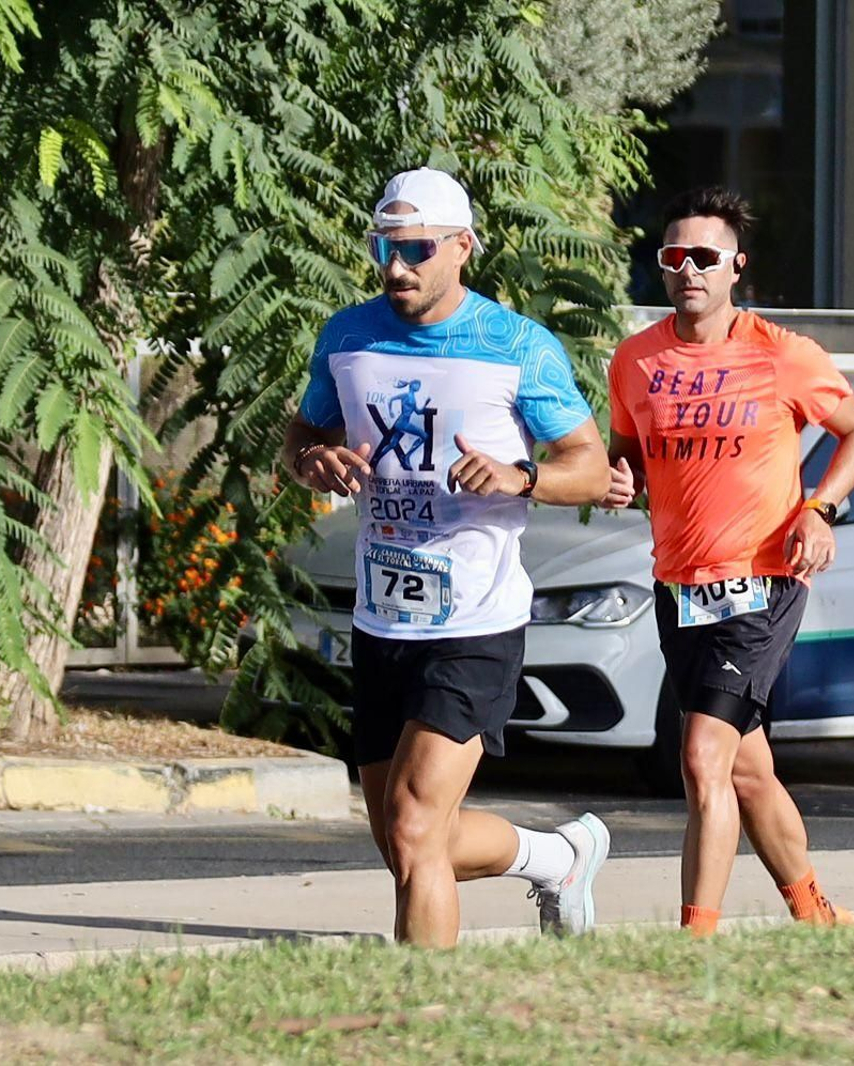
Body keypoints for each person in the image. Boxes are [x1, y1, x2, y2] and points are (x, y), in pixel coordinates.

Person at [281, 167, 612, 948]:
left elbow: (590, 467)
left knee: (415, 824)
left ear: (462, 247)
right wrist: (311, 463)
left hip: (475, 622)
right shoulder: (348, 335)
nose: (396, 267)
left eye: (417, 249)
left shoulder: (517, 348)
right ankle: (556, 856)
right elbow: (299, 440)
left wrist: (520, 476)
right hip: (382, 617)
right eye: (383, 248)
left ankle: (421, 1012)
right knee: (405, 842)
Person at [600, 187, 854, 935]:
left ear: (735, 268)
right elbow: (626, 460)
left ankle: (695, 937)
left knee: (700, 759)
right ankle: (814, 913)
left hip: (761, 582)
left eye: (704, 257)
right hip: (679, 588)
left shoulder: (782, 354)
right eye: (673, 257)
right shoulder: (634, 361)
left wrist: (818, 509)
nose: (687, 269)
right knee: (748, 769)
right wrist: (618, 480)